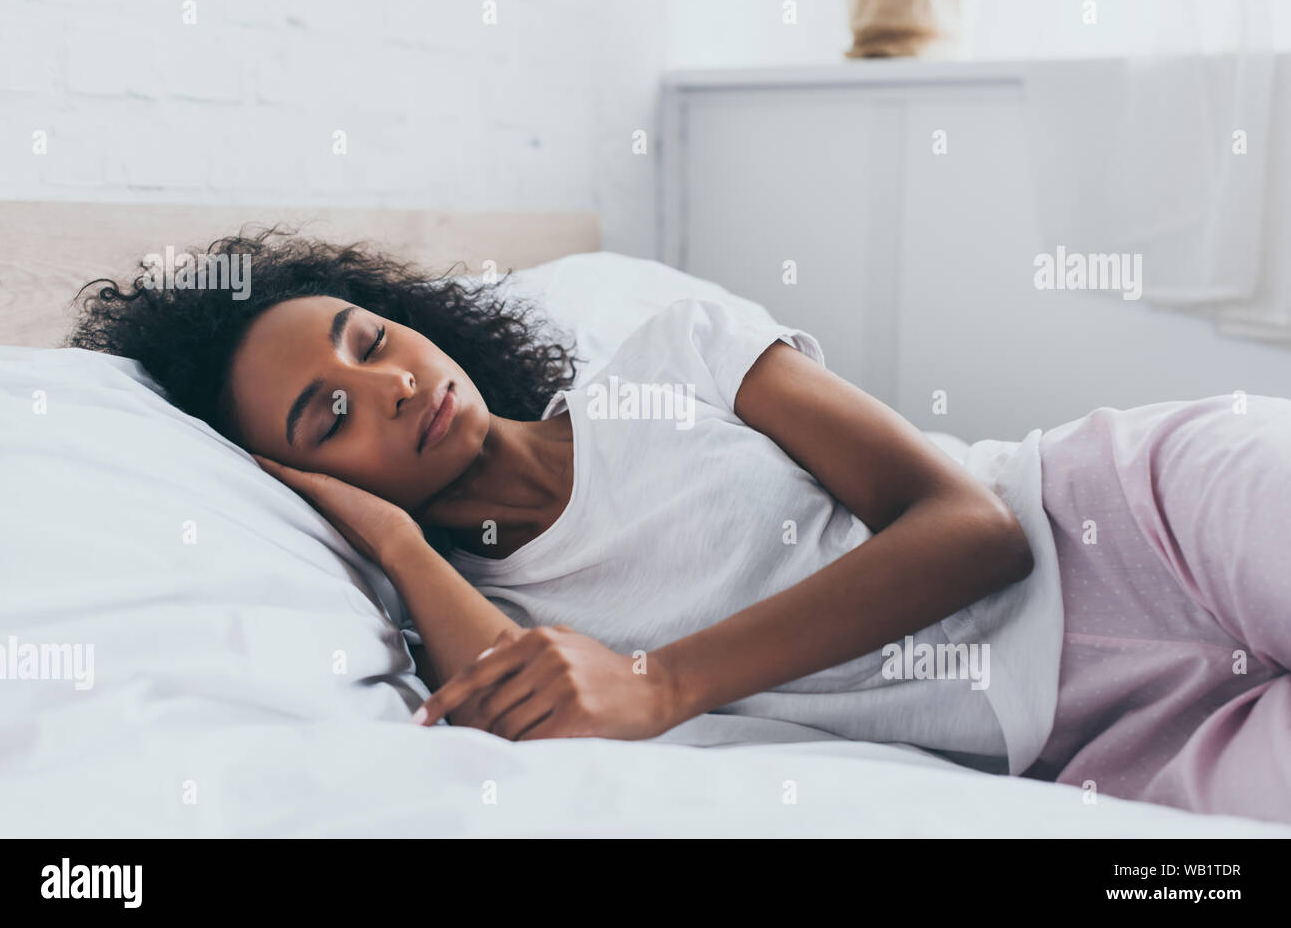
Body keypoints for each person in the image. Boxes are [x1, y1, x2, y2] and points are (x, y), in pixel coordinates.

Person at [69, 227, 1291, 824]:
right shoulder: (495, 619)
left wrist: (663, 682)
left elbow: (971, 528)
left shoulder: (675, 357)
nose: (388, 387)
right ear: (298, 482)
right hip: (1092, 750)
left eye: (370, 340)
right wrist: (386, 544)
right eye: (328, 416)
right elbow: (530, 729)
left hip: (1135, 516)